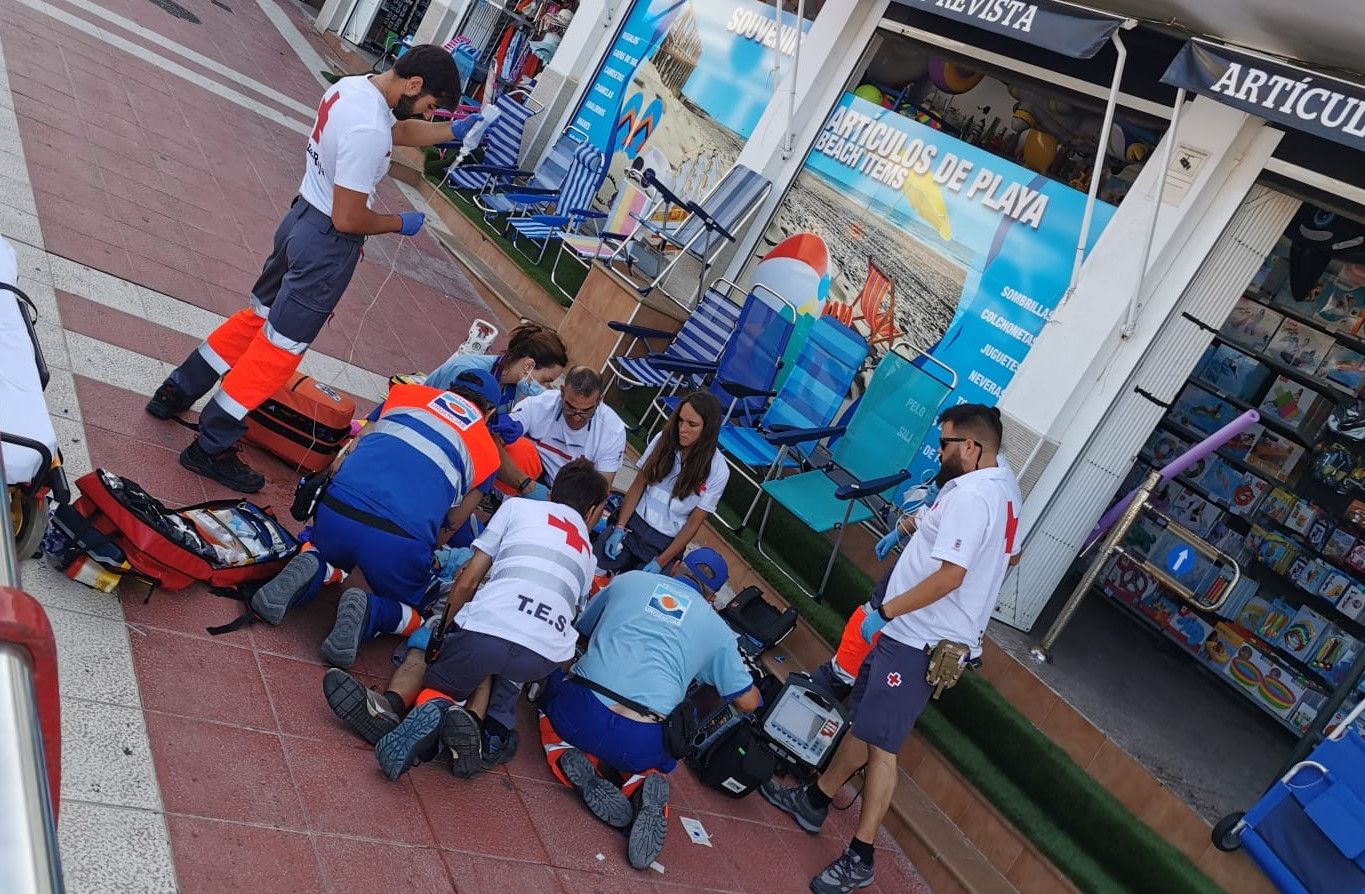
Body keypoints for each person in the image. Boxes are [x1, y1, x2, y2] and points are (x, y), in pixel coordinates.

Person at [146, 46, 486, 493]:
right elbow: (349, 217)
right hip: (326, 244)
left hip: (299, 219)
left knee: (257, 320)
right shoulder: (369, 128)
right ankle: (211, 444)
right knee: (278, 351)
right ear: (414, 84)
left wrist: (452, 132)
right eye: (430, 106)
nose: (429, 113)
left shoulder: (355, 88)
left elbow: (398, 131)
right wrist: (398, 222)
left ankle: (175, 392)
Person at [760, 404, 1022, 894]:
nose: (937, 451)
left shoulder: (974, 498)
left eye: (944, 443)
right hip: (914, 631)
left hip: (918, 638)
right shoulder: (1001, 483)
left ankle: (860, 856)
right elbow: (1000, 549)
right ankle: (816, 799)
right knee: (865, 721)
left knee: (882, 747)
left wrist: (889, 611)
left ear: (971, 447)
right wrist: (908, 530)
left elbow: (951, 575)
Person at [321, 459, 608, 779]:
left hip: (487, 629)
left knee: (452, 663)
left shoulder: (518, 508)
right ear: (594, 511)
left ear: (551, 491)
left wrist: (445, 632)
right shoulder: (588, 554)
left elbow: (468, 579)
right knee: (489, 668)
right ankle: (466, 730)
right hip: (542, 659)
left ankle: (413, 710)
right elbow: (573, 613)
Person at [244, 370, 502, 669]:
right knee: (423, 604)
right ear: (490, 412)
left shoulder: (406, 394)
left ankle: (316, 565)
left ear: (449, 389)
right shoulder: (488, 453)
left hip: (338, 510)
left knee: (327, 548)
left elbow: (349, 450)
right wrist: (419, 558)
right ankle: (372, 612)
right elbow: (451, 525)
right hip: (398, 540)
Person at [537, 548, 761, 870]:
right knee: (655, 758)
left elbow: (582, 631)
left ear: (677, 567)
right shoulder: (717, 629)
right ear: (712, 598)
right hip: (644, 737)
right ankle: (642, 784)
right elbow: (748, 701)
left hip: (585, 711)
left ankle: (569, 756)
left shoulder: (630, 580)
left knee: (550, 698)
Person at [425, 322, 569, 497]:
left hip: (464, 442)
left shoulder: (513, 387)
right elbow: (447, 423)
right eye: (546, 380)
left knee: (523, 450)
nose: (545, 388)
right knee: (494, 460)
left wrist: (498, 433)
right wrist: (524, 483)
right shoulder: (468, 372)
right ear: (528, 366)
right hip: (433, 435)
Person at [596, 391, 728, 575]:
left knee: (637, 593)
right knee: (597, 566)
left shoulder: (718, 470)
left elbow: (693, 525)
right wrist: (619, 526)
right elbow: (637, 486)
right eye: (680, 420)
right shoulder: (663, 439)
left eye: (692, 424)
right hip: (633, 525)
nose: (683, 428)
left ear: (708, 429)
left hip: (663, 544)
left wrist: (661, 561)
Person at [508, 366, 626, 491]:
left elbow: (601, 489)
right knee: (516, 446)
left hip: (574, 493)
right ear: (562, 392)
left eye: (586, 411)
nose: (576, 417)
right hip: (531, 480)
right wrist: (525, 484)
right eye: (570, 407)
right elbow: (497, 439)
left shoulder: (613, 430)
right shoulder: (537, 405)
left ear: (600, 400)